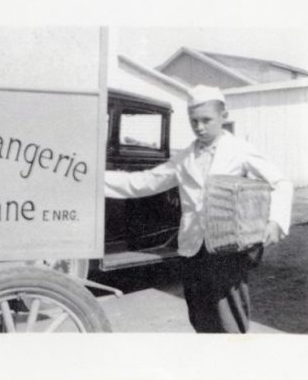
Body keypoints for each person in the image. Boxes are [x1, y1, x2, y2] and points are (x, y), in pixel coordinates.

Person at [105, 84, 293, 333]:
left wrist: (275, 221)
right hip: (192, 249)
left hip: (228, 250)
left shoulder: (239, 151)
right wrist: (95, 178)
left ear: (223, 117)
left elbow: (281, 182)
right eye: (194, 121)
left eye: (206, 120)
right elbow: (145, 182)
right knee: (200, 317)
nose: (200, 127)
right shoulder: (184, 158)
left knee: (229, 321)